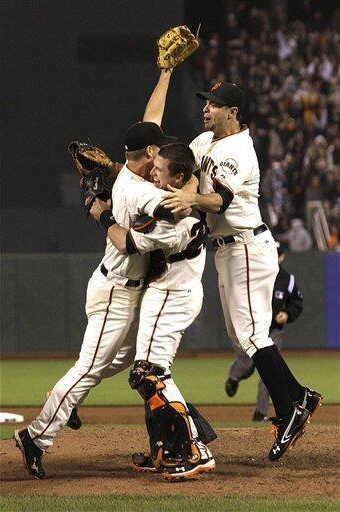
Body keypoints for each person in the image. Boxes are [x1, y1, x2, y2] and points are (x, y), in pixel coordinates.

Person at [151, 74, 321, 461]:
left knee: (250, 334)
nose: (205, 109)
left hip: (245, 245)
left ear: (233, 112)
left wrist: (189, 197)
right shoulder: (204, 142)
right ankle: (300, 397)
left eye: (212, 104)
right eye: (204, 102)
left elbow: (219, 201)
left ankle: (288, 410)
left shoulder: (239, 150)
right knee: (240, 334)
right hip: (228, 249)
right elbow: (167, 156)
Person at [14, 120, 179, 480]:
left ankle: (68, 396)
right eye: (159, 149)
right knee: (88, 368)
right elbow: (165, 211)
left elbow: (134, 165)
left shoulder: (126, 179)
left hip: (126, 290)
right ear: (150, 153)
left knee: (133, 357)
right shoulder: (138, 191)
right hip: (116, 292)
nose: (164, 154)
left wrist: (111, 169)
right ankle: (35, 437)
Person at [90, 142, 216, 481]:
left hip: (172, 295)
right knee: (149, 374)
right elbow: (188, 176)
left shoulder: (172, 219)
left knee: (150, 373)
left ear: (177, 178)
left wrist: (101, 213)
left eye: (159, 170)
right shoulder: (181, 194)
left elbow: (125, 241)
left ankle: (195, 448)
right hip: (171, 291)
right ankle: (165, 446)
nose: (152, 173)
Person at [225, 241, 305, 421]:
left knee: (270, 372)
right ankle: (234, 376)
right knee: (246, 364)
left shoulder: (287, 279)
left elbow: (297, 303)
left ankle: (260, 413)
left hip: (273, 332)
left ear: (282, 257)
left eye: (277, 254)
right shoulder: (253, 273)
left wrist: (287, 312)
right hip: (251, 329)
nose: (273, 256)